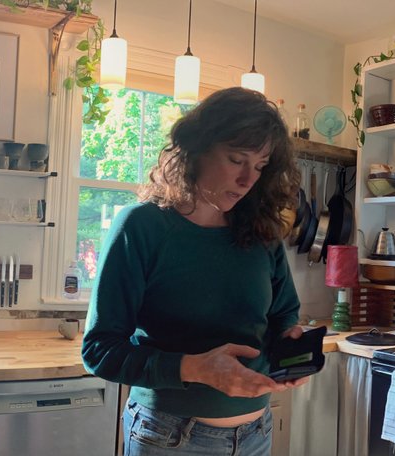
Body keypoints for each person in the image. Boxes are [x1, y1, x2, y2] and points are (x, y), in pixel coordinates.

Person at [82, 87, 307, 455]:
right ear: (198, 148)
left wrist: (291, 348)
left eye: (260, 166)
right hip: (169, 437)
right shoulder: (143, 227)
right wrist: (195, 368)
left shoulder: (262, 233)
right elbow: (99, 350)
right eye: (237, 159)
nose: (248, 179)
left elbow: (283, 314)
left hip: (256, 433)